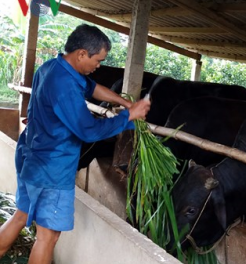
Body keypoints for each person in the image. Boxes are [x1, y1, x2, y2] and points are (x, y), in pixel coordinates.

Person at [0, 24, 151, 264]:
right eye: (98, 60)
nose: (99, 65)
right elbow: (88, 131)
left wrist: (125, 103)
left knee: (21, 215)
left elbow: (94, 89)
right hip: (52, 168)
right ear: (81, 54)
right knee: (47, 237)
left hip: (31, 155)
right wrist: (127, 118)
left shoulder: (52, 68)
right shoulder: (65, 86)